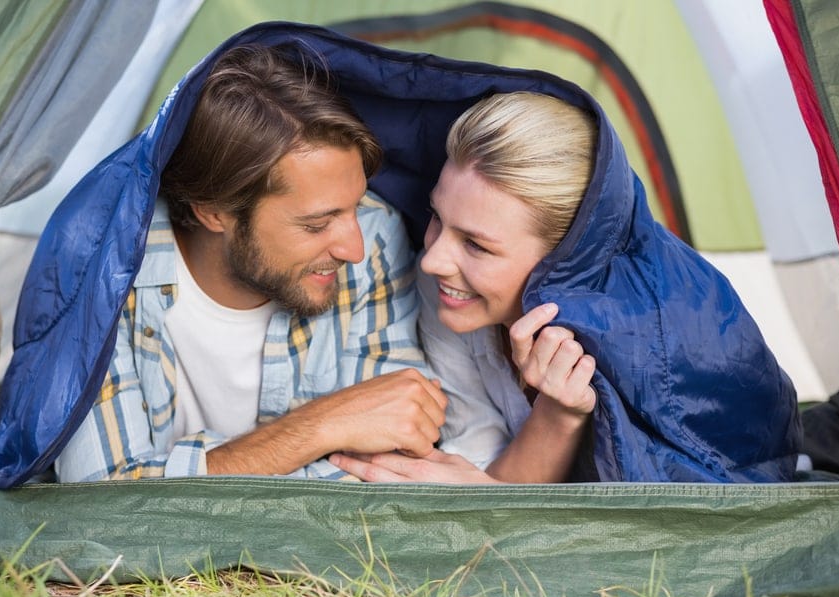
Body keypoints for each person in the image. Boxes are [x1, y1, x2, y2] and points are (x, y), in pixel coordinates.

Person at [330, 91, 801, 483]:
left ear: (567, 256)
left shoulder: (662, 331)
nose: (433, 259)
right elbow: (485, 474)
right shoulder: (447, 293)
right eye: (437, 217)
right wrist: (558, 414)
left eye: (476, 245)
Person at [51, 44, 447, 481]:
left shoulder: (374, 235)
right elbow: (103, 495)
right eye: (317, 224)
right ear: (213, 211)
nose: (353, 250)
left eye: (355, 204)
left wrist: (184, 477)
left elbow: (395, 463)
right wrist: (319, 426)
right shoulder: (103, 272)